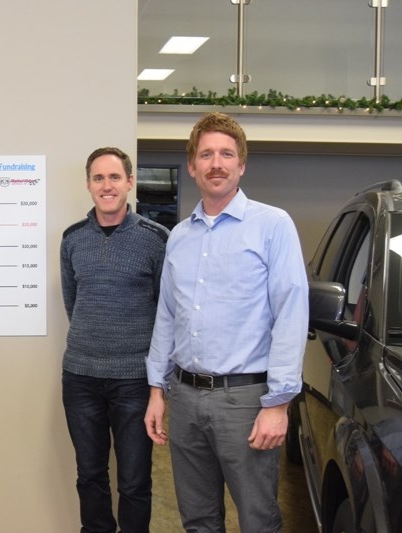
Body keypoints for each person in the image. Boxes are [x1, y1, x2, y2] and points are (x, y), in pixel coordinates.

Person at [144, 112, 308, 532]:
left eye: (226, 154)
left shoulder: (272, 225)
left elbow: (291, 314)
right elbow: (167, 314)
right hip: (183, 397)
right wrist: (157, 390)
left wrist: (279, 403)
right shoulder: (179, 236)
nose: (216, 163)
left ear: (241, 165)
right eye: (206, 154)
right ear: (193, 166)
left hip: (247, 401)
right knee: (197, 519)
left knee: (257, 518)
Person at [61, 147, 169, 533]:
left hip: (135, 382)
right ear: (89, 185)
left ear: (129, 182)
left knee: (135, 482)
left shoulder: (156, 238)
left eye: (114, 177)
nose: (107, 186)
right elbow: (73, 302)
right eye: (98, 178)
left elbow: (165, 311)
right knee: (89, 476)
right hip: (81, 378)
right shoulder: (72, 239)